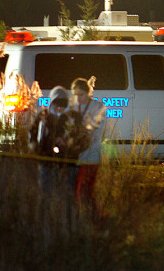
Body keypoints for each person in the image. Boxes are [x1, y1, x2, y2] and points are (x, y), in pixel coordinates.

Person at [65, 77, 106, 216]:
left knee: (84, 190)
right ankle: (84, 218)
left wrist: (82, 134)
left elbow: (95, 131)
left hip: (90, 155)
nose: (78, 98)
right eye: (75, 95)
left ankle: (94, 217)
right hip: (75, 156)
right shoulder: (73, 107)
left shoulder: (98, 107)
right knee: (77, 190)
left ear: (88, 92)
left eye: (81, 95)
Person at [28, 85, 75, 193]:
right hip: (46, 161)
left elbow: (77, 136)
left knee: (63, 192)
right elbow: (33, 134)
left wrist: (66, 142)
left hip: (65, 163)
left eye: (62, 105)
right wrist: (36, 148)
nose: (59, 108)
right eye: (57, 104)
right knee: (45, 190)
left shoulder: (70, 118)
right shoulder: (43, 116)